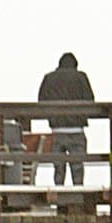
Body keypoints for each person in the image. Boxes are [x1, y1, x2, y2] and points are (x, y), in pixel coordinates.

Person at [38, 52, 95, 185]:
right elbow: (90, 101)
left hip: (56, 130)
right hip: (77, 130)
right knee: (77, 169)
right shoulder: (81, 77)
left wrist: (52, 116)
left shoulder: (49, 78)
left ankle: (59, 195)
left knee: (58, 169)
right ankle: (78, 194)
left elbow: (41, 102)